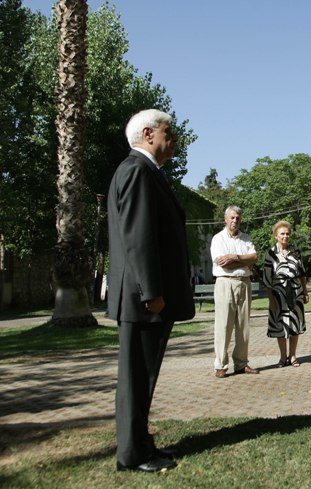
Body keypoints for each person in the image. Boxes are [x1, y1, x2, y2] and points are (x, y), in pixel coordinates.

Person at [107, 109, 195, 473]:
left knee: (144, 377)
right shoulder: (137, 171)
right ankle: (132, 454)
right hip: (144, 299)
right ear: (148, 134)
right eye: (168, 131)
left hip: (146, 297)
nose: (173, 137)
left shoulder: (145, 172)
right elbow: (138, 238)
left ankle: (140, 443)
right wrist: (151, 291)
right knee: (137, 378)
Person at [210, 205, 258, 378]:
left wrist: (235, 257)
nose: (235, 221)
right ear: (225, 219)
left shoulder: (245, 239)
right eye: (232, 217)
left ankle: (241, 363)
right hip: (225, 283)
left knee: (243, 326)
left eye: (237, 218)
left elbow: (255, 258)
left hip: (244, 283)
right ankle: (221, 365)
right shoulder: (218, 239)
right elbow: (224, 264)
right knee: (224, 325)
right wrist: (244, 261)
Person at [262, 220, 308, 367]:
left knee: (294, 324)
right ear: (276, 235)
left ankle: (293, 356)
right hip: (278, 294)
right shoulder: (270, 254)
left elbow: (302, 273)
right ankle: (283, 357)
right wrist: (271, 300)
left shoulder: (296, 251)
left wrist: (305, 291)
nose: (285, 236)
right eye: (282, 234)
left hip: (296, 292)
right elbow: (267, 281)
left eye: (287, 234)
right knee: (280, 326)